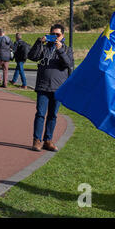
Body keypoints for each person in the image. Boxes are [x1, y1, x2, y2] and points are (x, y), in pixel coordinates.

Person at [28, 23, 74, 152]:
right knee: (40, 114)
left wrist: (60, 50)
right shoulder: (44, 47)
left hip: (58, 88)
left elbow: (68, 64)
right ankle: (37, 141)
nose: (55, 37)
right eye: (52, 34)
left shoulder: (67, 49)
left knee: (53, 115)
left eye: (57, 35)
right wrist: (39, 42)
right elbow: (32, 56)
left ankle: (48, 140)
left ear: (62, 36)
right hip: (43, 86)